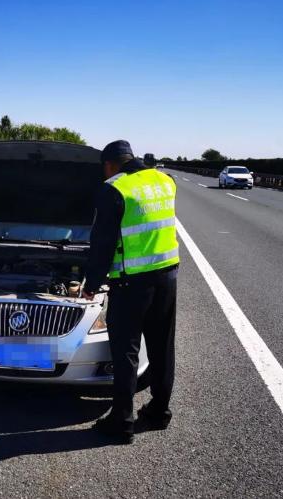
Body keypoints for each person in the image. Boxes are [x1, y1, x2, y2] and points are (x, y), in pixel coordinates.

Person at [83, 140, 179, 444]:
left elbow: (103, 243)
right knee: (162, 346)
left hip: (131, 283)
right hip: (167, 275)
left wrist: (91, 284)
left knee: (126, 352)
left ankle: (121, 422)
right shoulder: (165, 181)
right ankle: (159, 412)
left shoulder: (115, 188)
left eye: (104, 168)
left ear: (110, 164)